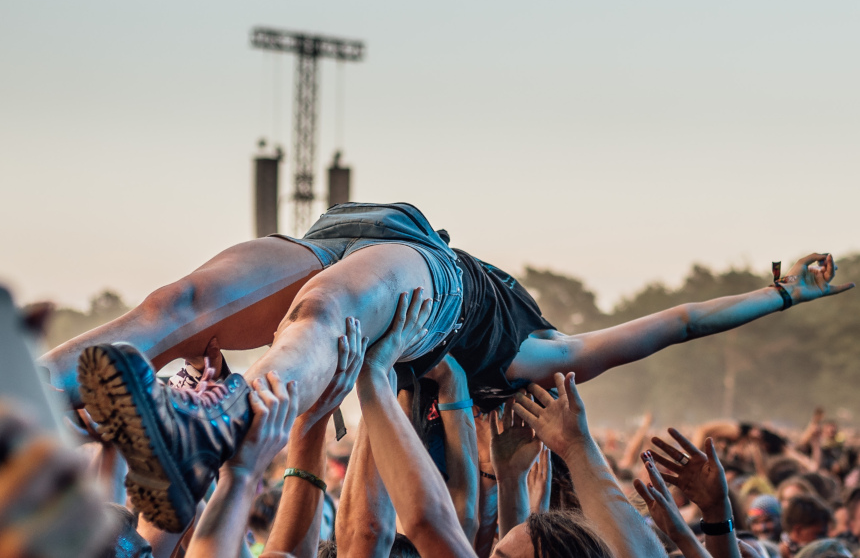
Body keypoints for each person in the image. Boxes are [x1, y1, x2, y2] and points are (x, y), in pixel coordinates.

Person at [44, 202, 853, 531]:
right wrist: (777, 292)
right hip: (346, 229)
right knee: (176, 305)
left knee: (317, 321)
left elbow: (674, 324)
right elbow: (674, 323)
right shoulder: (541, 355)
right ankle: (34, 397)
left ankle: (209, 428)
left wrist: (779, 300)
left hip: (420, 270)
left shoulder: (526, 358)